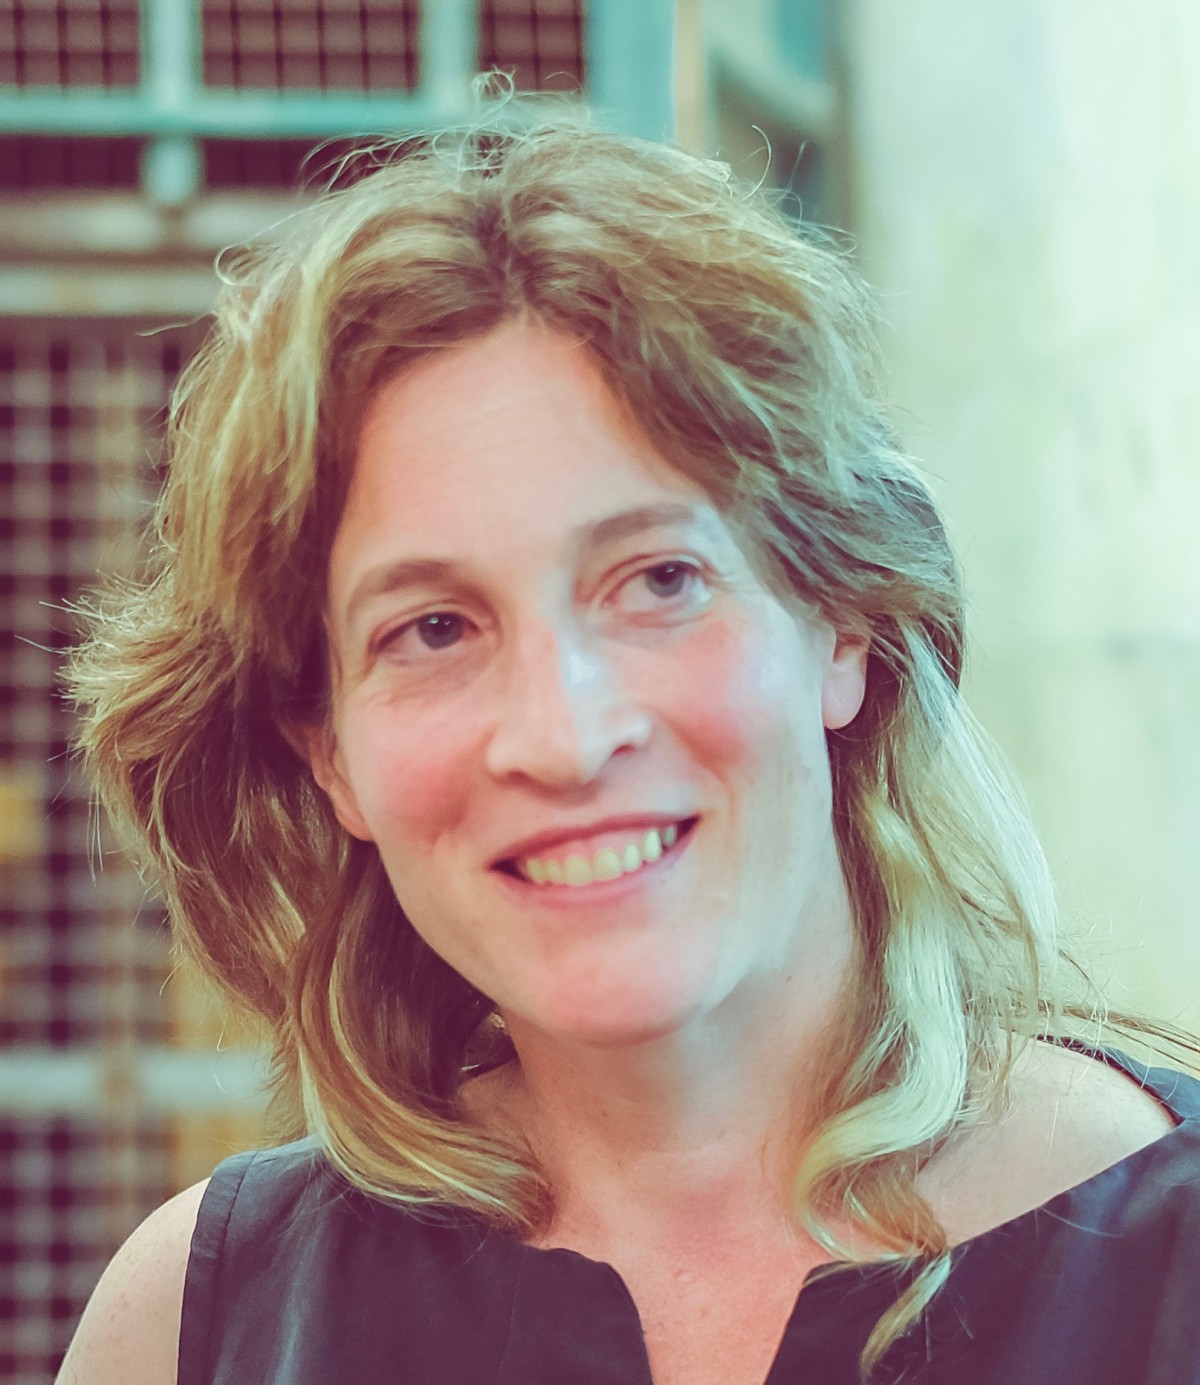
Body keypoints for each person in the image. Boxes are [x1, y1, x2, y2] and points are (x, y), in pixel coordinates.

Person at [57, 77, 1200, 1385]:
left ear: (842, 623)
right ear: (331, 756)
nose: (563, 735)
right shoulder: (190, 1328)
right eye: (432, 629)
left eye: (659, 580)